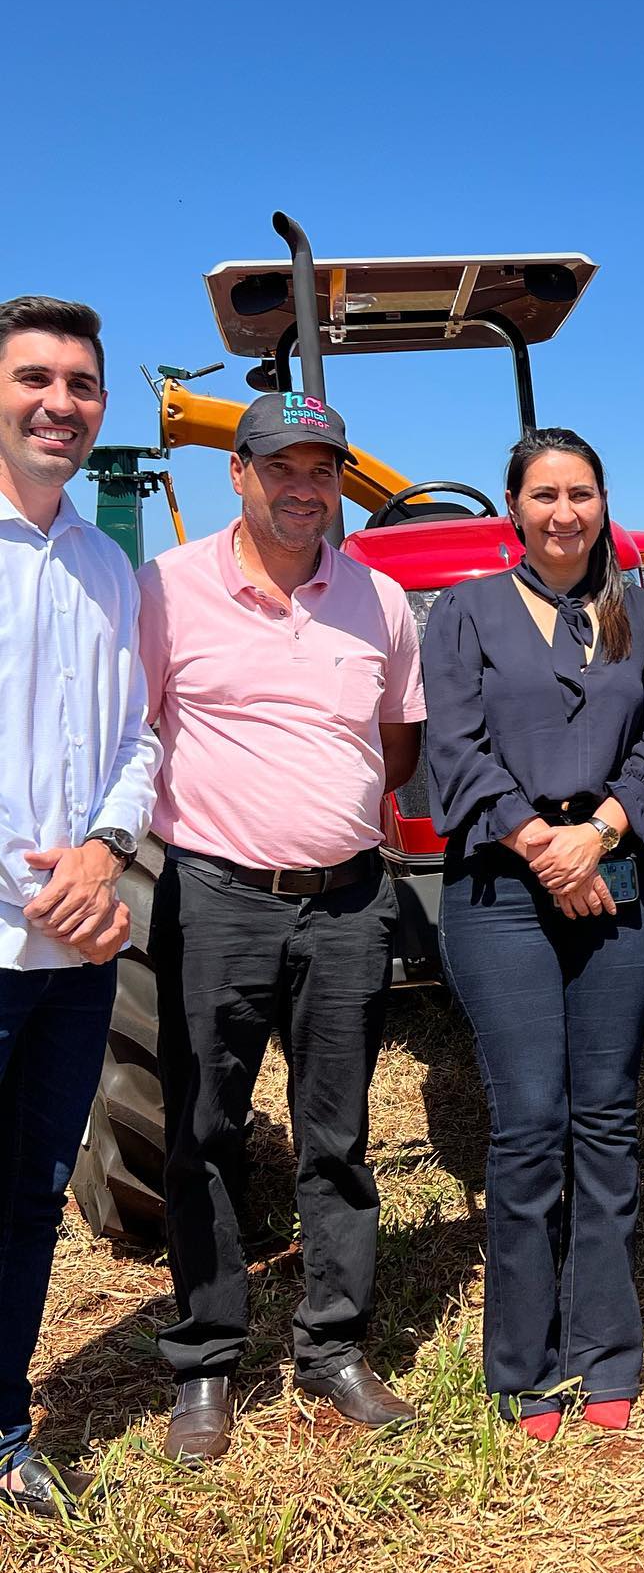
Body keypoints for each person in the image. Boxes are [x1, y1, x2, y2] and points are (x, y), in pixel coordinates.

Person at [139, 392, 426, 1463]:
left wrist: (325, 813)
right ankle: (208, 1357)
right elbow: (139, 726)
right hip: (216, 892)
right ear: (239, 472)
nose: (305, 489)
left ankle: (334, 1344)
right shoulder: (165, 590)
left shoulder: (381, 599)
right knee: (206, 1130)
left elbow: (395, 746)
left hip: (350, 896)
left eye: (324, 471)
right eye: (282, 467)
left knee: (338, 1133)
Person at [423, 427, 644, 1439]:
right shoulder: (467, 612)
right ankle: (524, 1357)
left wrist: (603, 830)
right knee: (530, 1115)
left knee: (607, 1113)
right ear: (514, 507)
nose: (565, 512)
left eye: (582, 492)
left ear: (603, 500)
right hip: (501, 881)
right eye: (545, 494)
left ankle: (608, 1345)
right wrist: (542, 843)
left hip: (620, 877)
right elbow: (454, 742)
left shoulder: (643, 616)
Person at [0, 297, 159, 1516]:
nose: (61, 402)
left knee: (31, 1192)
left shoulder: (111, 566)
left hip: (80, 941)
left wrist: (106, 850)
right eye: (34, 378)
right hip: (26, 923)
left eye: (83, 384)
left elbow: (137, 735)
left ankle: (7, 1419)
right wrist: (50, 883)